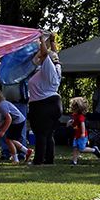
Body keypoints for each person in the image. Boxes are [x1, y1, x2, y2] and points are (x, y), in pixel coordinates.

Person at [26, 31, 62, 165]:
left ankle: (38, 160)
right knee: (48, 134)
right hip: (53, 103)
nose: (39, 58)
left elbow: (46, 54)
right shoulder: (57, 67)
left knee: (40, 134)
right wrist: (52, 40)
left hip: (42, 105)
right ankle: (49, 159)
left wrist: (41, 38)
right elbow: (54, 53)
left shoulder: (48, 67)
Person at [0, 87, 26, 162]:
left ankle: (15, 159)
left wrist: (3, 131)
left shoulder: (1, 105)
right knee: (11, 140)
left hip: (17, 122)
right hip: (17, 121)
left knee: (9, 140)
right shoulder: (1, 104)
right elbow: (3, 120)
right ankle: (26, 151)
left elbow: (8, 118)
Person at [69, 96, 100, 163]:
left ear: (78, 108)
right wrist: (71, 123)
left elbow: (82, 125)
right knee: (75, 148)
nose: (72, 108)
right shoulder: (75, 116)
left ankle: (94, 150)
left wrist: (83, 133)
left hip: (81, 136)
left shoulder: (81, 117)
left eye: (73, 107)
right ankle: (74, 161)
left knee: (81, 149)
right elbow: (76, 125)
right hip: (77, 135)